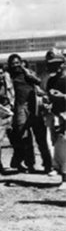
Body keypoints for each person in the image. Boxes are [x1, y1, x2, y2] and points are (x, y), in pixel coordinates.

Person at [7, 54, 52, 172]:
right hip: (20, 108)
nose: (15, 65)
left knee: (40, 137)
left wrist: (26, 71)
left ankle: (48, 165)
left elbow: (38, 81)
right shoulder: (9, 77)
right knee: (25, 137)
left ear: (21, 62)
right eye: (13, 63)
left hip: (34, 106)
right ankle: (30, 164)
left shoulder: (27, 73)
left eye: (17, 62)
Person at [46, 55, 66, 189]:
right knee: (59, 148)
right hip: (56, 116)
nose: (56, 67)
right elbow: (49, 97)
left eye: (58, 63)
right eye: (53, 64)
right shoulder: (51, 80)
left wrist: (63, 97)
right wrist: (48, 103)